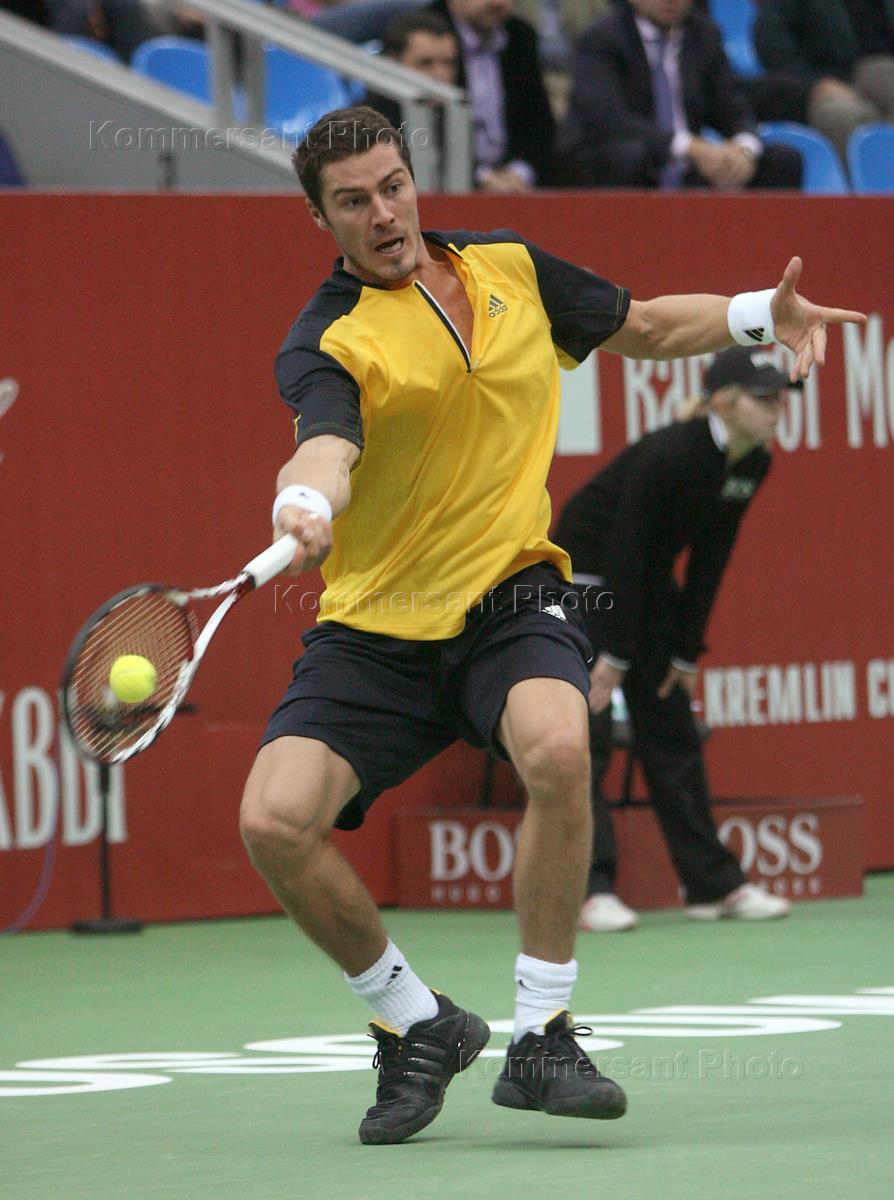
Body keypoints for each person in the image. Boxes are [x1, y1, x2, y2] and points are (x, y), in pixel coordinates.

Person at [238, 104, 864, 1145]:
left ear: (414, 183)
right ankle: (414, 1022)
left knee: (561, 747)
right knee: (273, 822)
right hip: (377, 628)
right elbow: (326, 445)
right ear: (321, 219)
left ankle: (542, 1034)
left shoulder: (511, 270)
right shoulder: (328, 339)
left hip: (509, 596)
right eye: (352, 202)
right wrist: (302, 503)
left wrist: (762, 312)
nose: (382, 214)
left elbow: (650, 328)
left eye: (392, 187)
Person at [556, 347, 798, 933]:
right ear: (724, 403)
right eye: (763, 398)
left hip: (642, 581)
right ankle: (591, 890)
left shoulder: (753, 463)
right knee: (588, 735)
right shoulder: (671, 454)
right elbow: (625, 548)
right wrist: (616, 653)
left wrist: (686, 652)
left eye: (779, 397)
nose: (777, 408)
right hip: (585, 575)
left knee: (669, 724)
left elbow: (712, 558)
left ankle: (713, 886)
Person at [560, 0, 803, 190]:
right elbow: (607, 119)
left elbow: (732, 107)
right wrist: (690, 147)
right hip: (630, 157)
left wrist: (744, 150)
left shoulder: (705, 35)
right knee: (629, 156)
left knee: (783, 159)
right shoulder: (601, 39)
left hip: (691, 166)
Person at [424, 0, 558, 189]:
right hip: (444, 183)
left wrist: (520, 172)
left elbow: (539, 124)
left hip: (516, 183)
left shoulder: (521, 35)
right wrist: (480, 176)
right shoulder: (424, 32)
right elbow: (422, 130)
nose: (497, 2)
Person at [753, 0, 894, 168]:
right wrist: (813, 83)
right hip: (822, 82)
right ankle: (856, 182)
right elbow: (772, 43)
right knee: (838, 116)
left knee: (884, 73)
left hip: (880, 72)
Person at [362, 9, 460, 136]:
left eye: (449, 63)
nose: (441, 74)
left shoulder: (458, 118)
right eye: (425, 63)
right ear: (392, 63)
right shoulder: (364, 128)